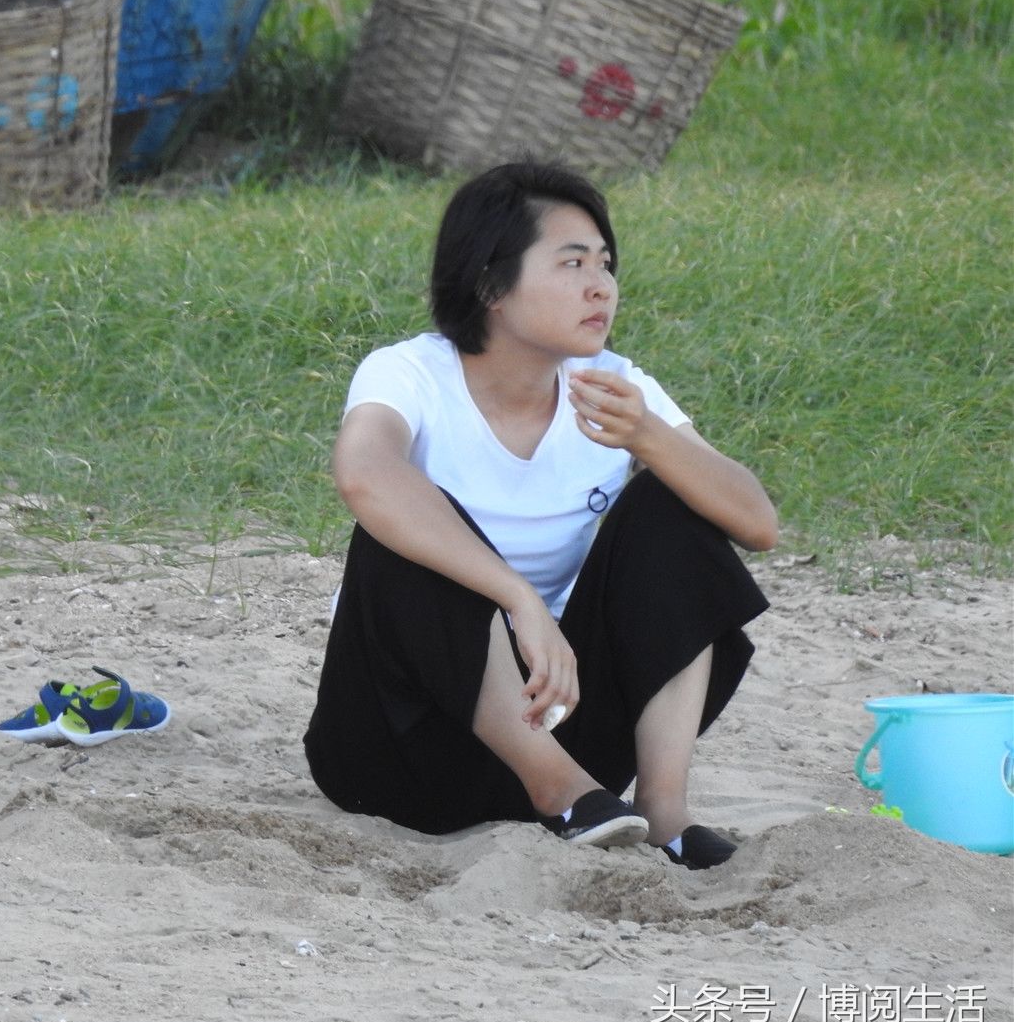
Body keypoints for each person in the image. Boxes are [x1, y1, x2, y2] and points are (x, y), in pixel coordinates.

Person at [304, 159, 777, 870]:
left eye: (606, 265)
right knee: (401, 525)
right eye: (572, 262)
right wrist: (518, 597)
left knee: (673, 504)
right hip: (398, 747)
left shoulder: (615, 390)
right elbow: (363, 473)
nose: (601, 286)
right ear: (491, 284)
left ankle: (664, 813)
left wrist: (649, 438)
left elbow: (756, 522)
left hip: (566, 723)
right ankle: (558, 790)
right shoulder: (410, 374)